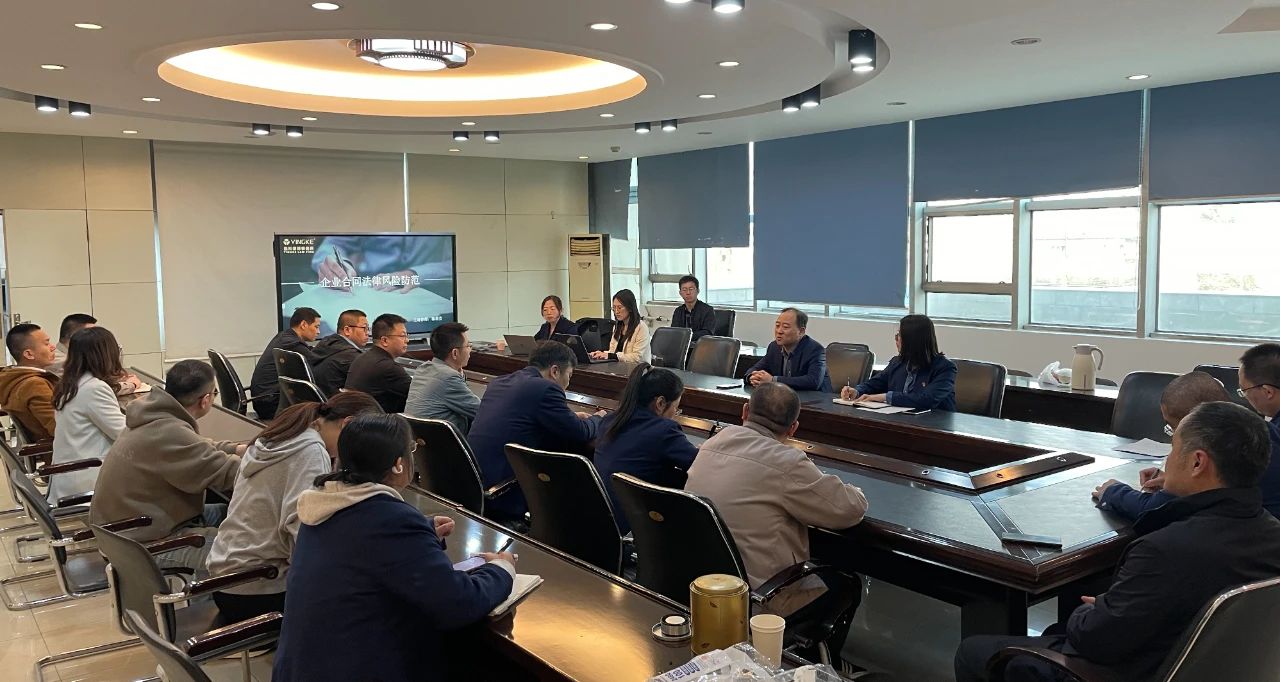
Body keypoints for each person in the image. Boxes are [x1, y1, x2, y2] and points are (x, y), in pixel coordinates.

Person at [954, 401, 1280, 682]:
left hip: (1135, 670)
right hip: (1216, 667)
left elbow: (1094, 640)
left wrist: (1095, 608)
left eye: (1172, 449)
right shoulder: (1271, 533)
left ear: (1197, 462)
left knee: (974, 651)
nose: (1167, 461)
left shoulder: (1165, 550)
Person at [271, 413, 515, 682]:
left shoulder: (322, 503)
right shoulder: (391, 520)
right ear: (399, 464)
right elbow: (459, 603)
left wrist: (423, 531)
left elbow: (360, 545)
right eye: (411, 450)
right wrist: (501, 568)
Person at [685, 382, 867, 662]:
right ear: (793, 429)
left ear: (745, 411)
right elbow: (849, 509)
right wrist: (857, 490)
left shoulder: (712, 443)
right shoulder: (787, 462)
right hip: (758, 598)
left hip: (702, 584)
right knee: (845, 582)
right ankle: (809, 666)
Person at [206, 390, 383, 622]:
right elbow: (303, 532)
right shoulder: (311, 450)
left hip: (228, 580)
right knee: (368, 597)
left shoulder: (281, 434)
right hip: (259, 589)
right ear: (347, 424)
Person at [88, 360, 245, 574]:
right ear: (206, 400)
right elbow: (231, 473)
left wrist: (237, 449)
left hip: (131, 527)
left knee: (231, 512)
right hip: (142, 544)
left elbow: (197, 446)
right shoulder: (169, 431)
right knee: (251, 549)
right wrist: (275, 465)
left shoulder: (153, 417)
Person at [468, 341, 605, 519]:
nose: (568, 383)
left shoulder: (499, 382)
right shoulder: (545, 388)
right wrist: (599, 419)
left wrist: (569, 416)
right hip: (504, 489)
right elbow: (581, 432)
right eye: (569, 375)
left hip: (474, 482)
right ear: (555, 371)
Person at [1092, 371, 1231, 520]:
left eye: (1172, 427)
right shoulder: (1238, 444)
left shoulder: (1201, 450)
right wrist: (1174, 481)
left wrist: (1113, 492)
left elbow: (1152, 509)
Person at [594, 364, 699, 533]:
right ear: (660, 403)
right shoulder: (664, 430)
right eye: (676, 408)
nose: (675, 414)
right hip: (637, 527)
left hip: (601, 522)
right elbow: (699, 466)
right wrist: (706, 451)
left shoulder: (610, 421)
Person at [49, 327, 129, 502]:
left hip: (70, 476)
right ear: (107, 354)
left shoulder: (70, 383)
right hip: (89, 479)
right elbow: (123, 434)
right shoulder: (94, 388)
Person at [841, 314, 955, 410]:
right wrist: (857, 391)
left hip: (934, 425)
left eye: (899, 336)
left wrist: (885, 397)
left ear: (911, 341)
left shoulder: (945, 368)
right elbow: (874, 384)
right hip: (900, 420)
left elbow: (927, 399)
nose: (896, 340)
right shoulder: (897, 362)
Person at [405, 322, 480, 435]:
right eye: (468, 346)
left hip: (417, 441)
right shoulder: (448, 377)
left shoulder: (423, 369)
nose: (470, 350)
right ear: (455, 353)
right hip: (442, 443)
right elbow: (482, 412)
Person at [311, 234, 454, 293]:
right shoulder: (366, 206)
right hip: (368, 288)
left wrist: (415, 274)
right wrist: (337, 264)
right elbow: (331, 245)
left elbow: (455, 264)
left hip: (425, 289)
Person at [249, 307, 322, 421]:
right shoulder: (293, 343)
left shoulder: (284, 337)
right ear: (303, 324)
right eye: (316, 327)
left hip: (264, 400)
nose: (318, 332)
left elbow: (309, 353)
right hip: (272, 405)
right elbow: (317, 363)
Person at [746, 308, 832, 392]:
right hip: (784, 397)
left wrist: (773, 380)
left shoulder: (815, 350)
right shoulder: (774, 347)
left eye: (785, 327)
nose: (779, 331)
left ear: (801, 331)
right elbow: (755, 369)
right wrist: (751, 377)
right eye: (777, 326)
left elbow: (813, 381)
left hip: (815, 399)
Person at [0, 323, 59, 440]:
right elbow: (60, 428)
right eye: (46, 344)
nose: (53, 347)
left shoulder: (14, 379)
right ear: (29, 354)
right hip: (59, 448)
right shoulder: (34, 385)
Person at [345, 313, 412, 413]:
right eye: (402, 336)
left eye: (406, 335)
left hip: (357, 418)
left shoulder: (363, 357)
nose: (407, 340)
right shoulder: (387, 367)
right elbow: (420, 395)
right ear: (384, 340)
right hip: (373, 420)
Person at [311, 309, 368, 397]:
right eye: (364, 328)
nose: (367, 333)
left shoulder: (327, 344)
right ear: (347, 330)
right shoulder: (351, 356)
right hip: (337, 403)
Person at [589, 289, 651, 363]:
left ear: (630, 308)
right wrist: (601, 354)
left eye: (619, 307)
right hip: (620, 366)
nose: (616, 311)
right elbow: (612, 352)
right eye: (614, 307)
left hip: (638, 367)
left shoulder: (641, 327)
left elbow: (636, 357)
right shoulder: (617, 326)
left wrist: (611, 356)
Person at [671, 275, 716, 342]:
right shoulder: (678, 311)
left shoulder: (707, 310)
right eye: (684, 290)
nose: (688, 293)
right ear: (680, 293)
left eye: (691, 289)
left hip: (702, 345)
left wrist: (687, 336)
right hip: (682, 345)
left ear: (698, 291)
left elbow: (707, 333)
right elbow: (674, 332)